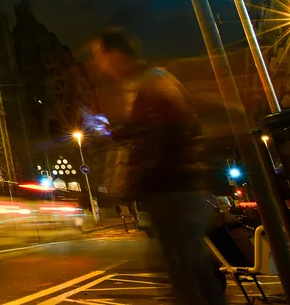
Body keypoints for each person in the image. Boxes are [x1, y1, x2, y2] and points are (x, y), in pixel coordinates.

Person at [90, 27, 225, 305]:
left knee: (186, 275)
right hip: (174, 191)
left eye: (100, 56)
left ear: (115, 54)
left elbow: (162, 140)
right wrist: (117, 133)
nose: (100, 65)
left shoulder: (153, 85)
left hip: (172, 192)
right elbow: (151, 132)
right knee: (189, 271)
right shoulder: (150, 82)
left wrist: (132, 182)